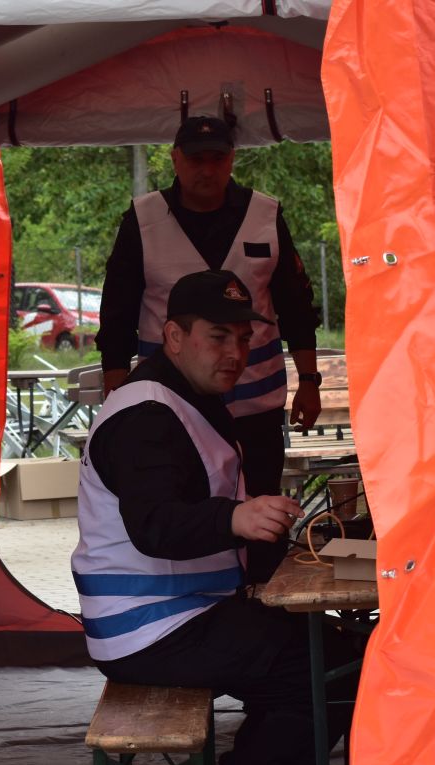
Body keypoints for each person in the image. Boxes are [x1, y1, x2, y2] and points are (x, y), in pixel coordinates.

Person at [73, 269, 355, 765]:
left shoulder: (184, 399)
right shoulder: (146, 416)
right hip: (152, 629)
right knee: (331, 673)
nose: (235, 353)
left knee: (325, 653)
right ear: (174, 336)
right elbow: (155, 525)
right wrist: (235, 519)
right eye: (217, 337)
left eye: (244, 339)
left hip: (182, 613)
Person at [96, 115, 323, 501]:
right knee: (181, 510)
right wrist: (116, 391)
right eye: (196, 159)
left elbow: (297, 307)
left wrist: (309, 380)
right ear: (175, 159)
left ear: (231, 158)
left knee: (260, 511)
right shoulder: (143, 219)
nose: (207, 170)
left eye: (217, 159)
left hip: (255, 405)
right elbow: (117, 311)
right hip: (171, 404)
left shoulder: (265, 215)